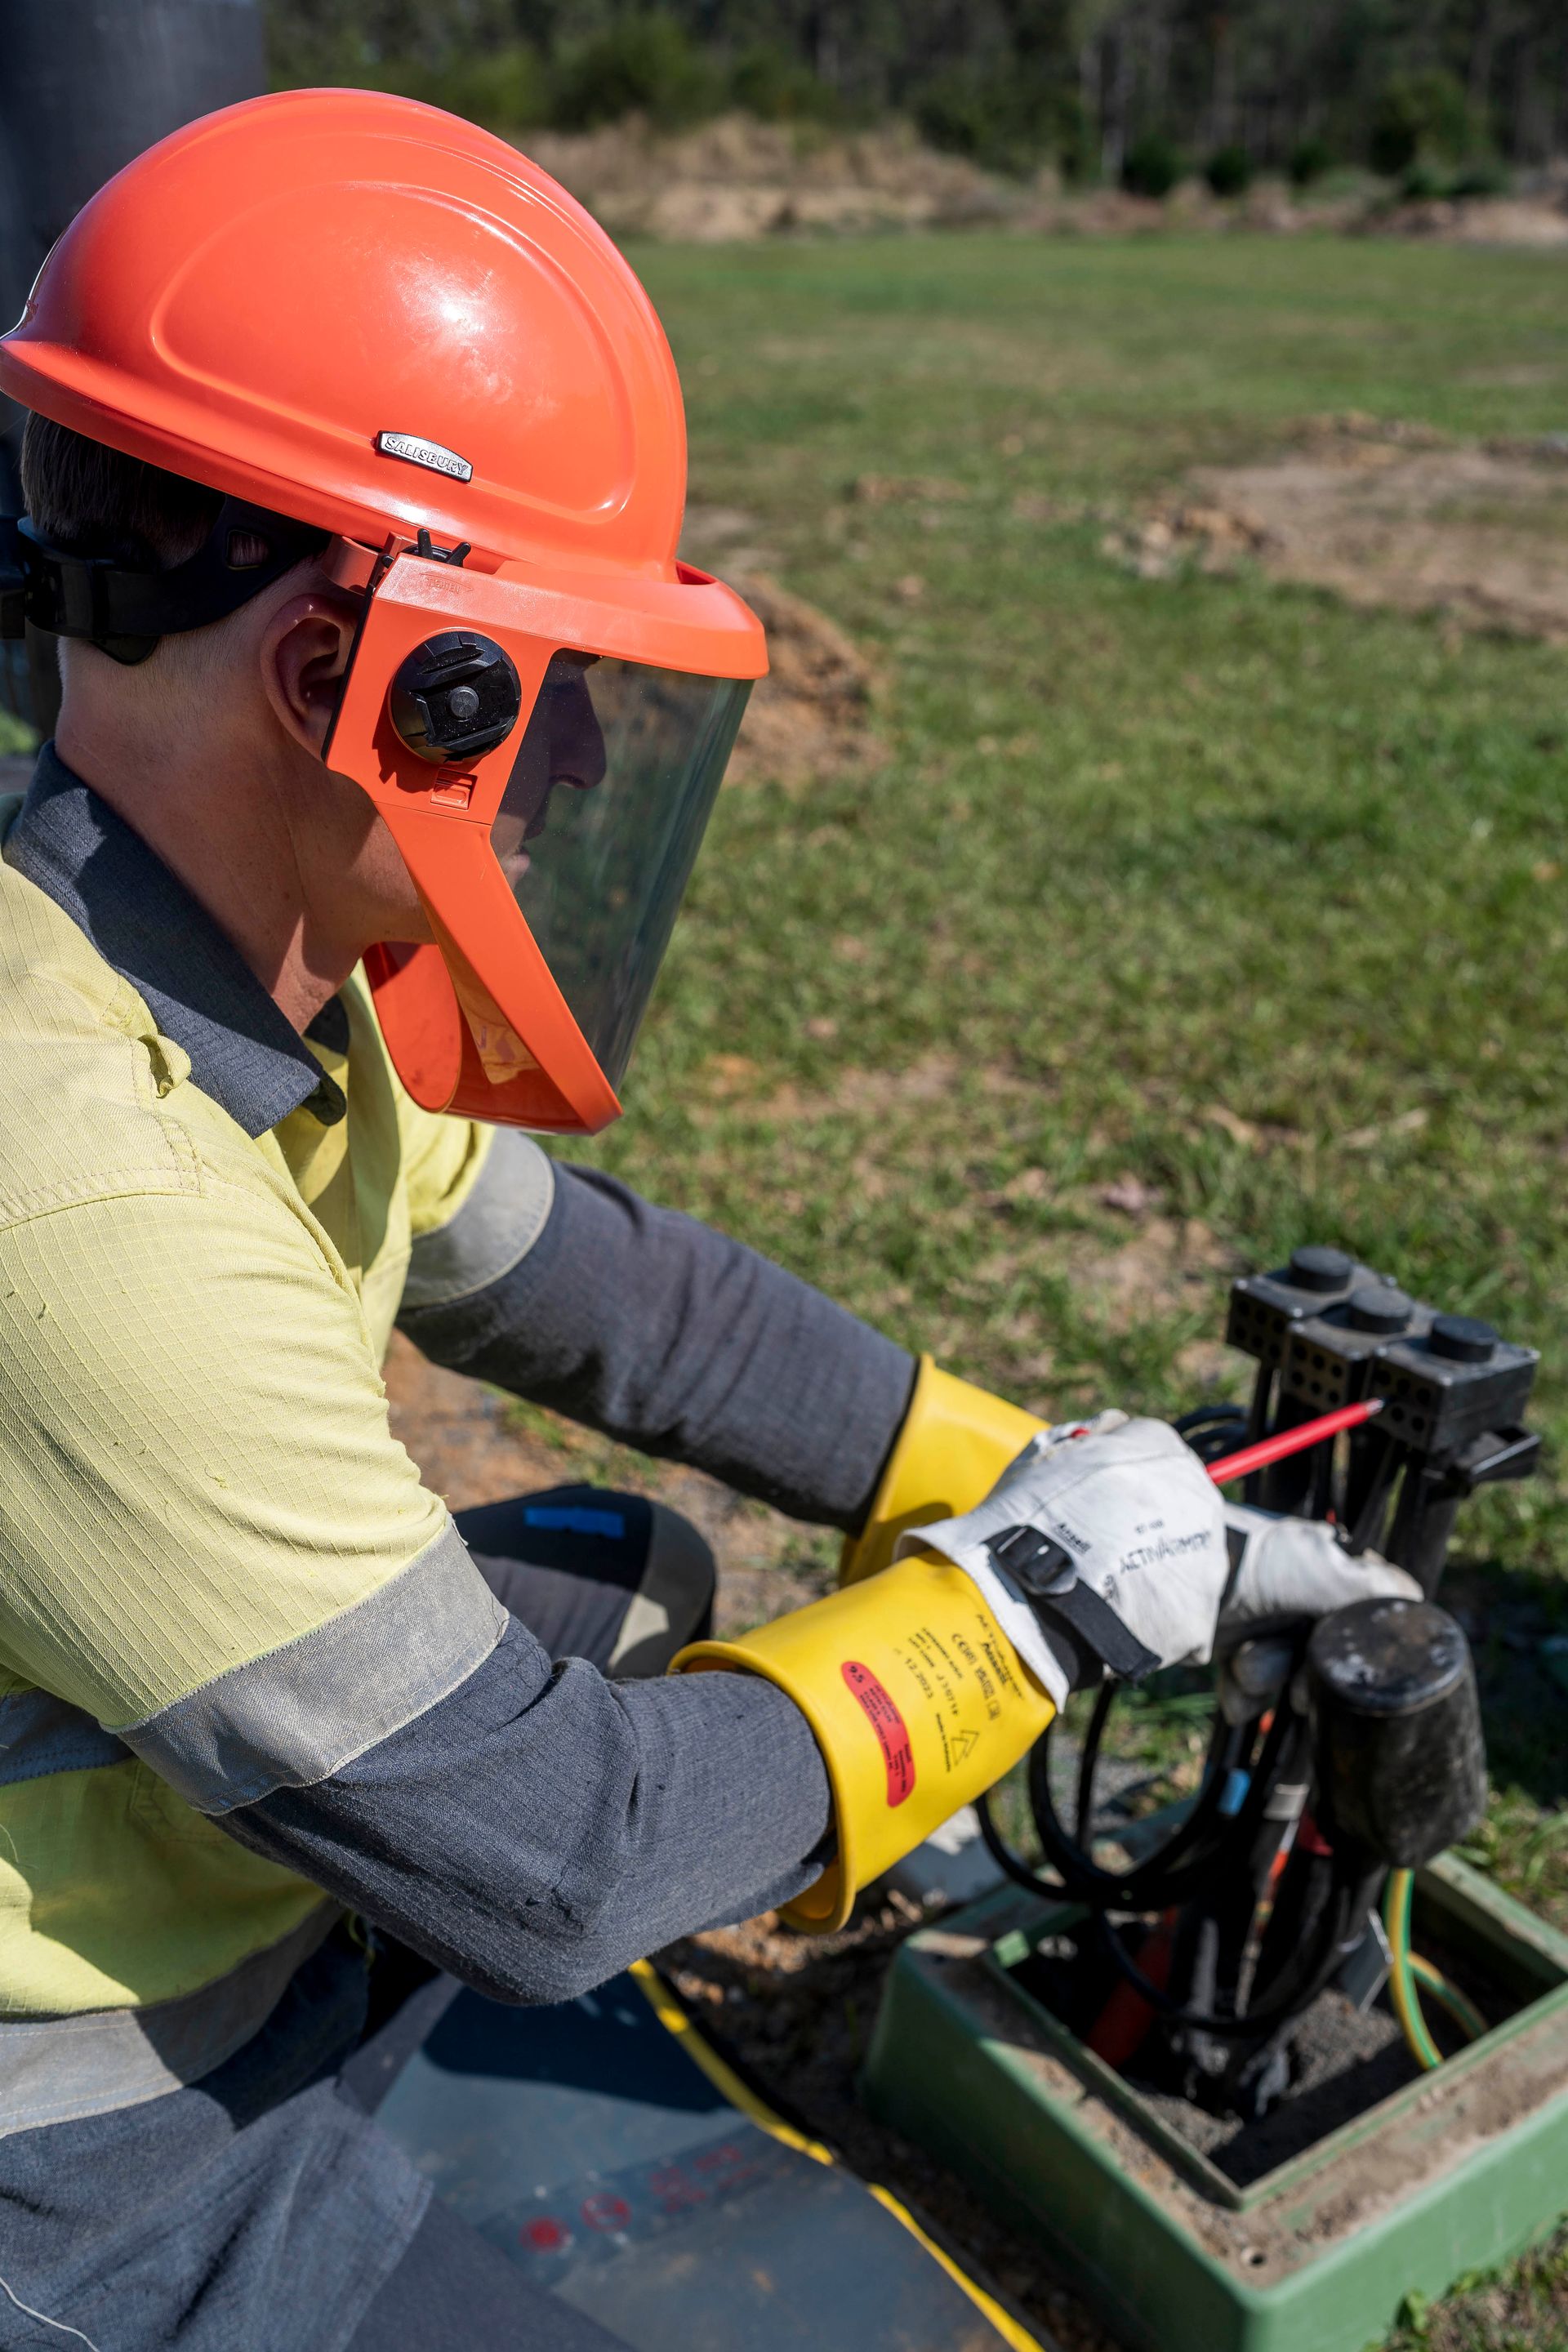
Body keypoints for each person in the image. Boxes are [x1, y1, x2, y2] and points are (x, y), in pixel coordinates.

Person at [0, 90, 1418, 2352]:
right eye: (559, 692)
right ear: (355, 686)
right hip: (80, 2164)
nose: (573, 771)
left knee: (635, 1582)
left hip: (177, 1894)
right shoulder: (70, 1191)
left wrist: (982, 1464)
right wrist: (1029, 1611)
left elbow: (605, 1289)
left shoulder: (196, 945)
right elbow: (563, 1863)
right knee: (577, 1787)